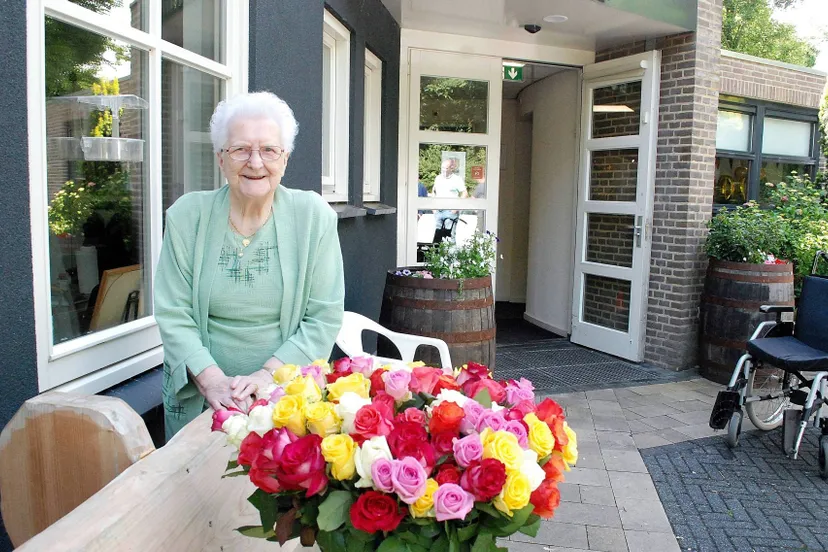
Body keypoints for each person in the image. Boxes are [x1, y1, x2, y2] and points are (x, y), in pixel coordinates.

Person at [154, 91, 345, 439]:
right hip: (203, 401)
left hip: (286, 401)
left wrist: (266, 378)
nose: (256, 162)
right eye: (240, 149)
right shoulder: (186, 216)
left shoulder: (313, 217)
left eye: (269, 150)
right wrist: (213, 382)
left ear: (284, 160)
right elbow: (173, 312)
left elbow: (324, 316)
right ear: (220, 159)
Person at [432, 158, 467, 241]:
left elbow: (464, 193)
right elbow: (434, 191)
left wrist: (455, 209)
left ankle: (450, 253)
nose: (443, 170)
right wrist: (433, 208)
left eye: (446, 168)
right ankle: (437, 253)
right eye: (442, 168)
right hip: (438, 210)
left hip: (450, 211)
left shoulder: (457, 179)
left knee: (450, 236)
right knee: (437, 236)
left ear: (451, 168)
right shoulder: (438, 178)